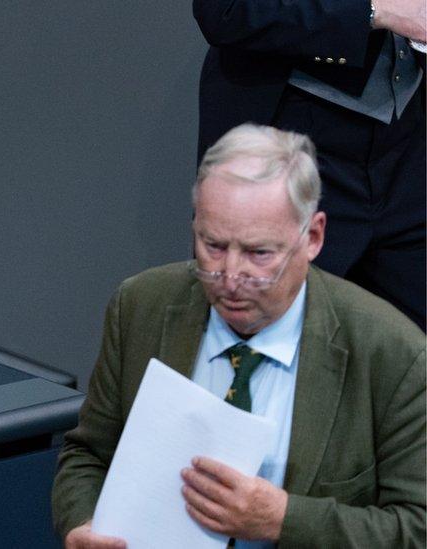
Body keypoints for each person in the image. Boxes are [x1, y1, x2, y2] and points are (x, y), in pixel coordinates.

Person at [52, 124, 425, 548]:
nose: (230, 276)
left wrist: (284, 520)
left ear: (313, 237)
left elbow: (417, 528)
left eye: (258, 253)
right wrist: (80, 524)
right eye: (212, 245)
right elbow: (88, 456)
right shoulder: (141, 306)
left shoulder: (392, 353)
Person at [193, 0, 426, 330]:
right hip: (290, 149)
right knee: (258, 348)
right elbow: (225, 10)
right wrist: (375, 11)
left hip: (408, 150)